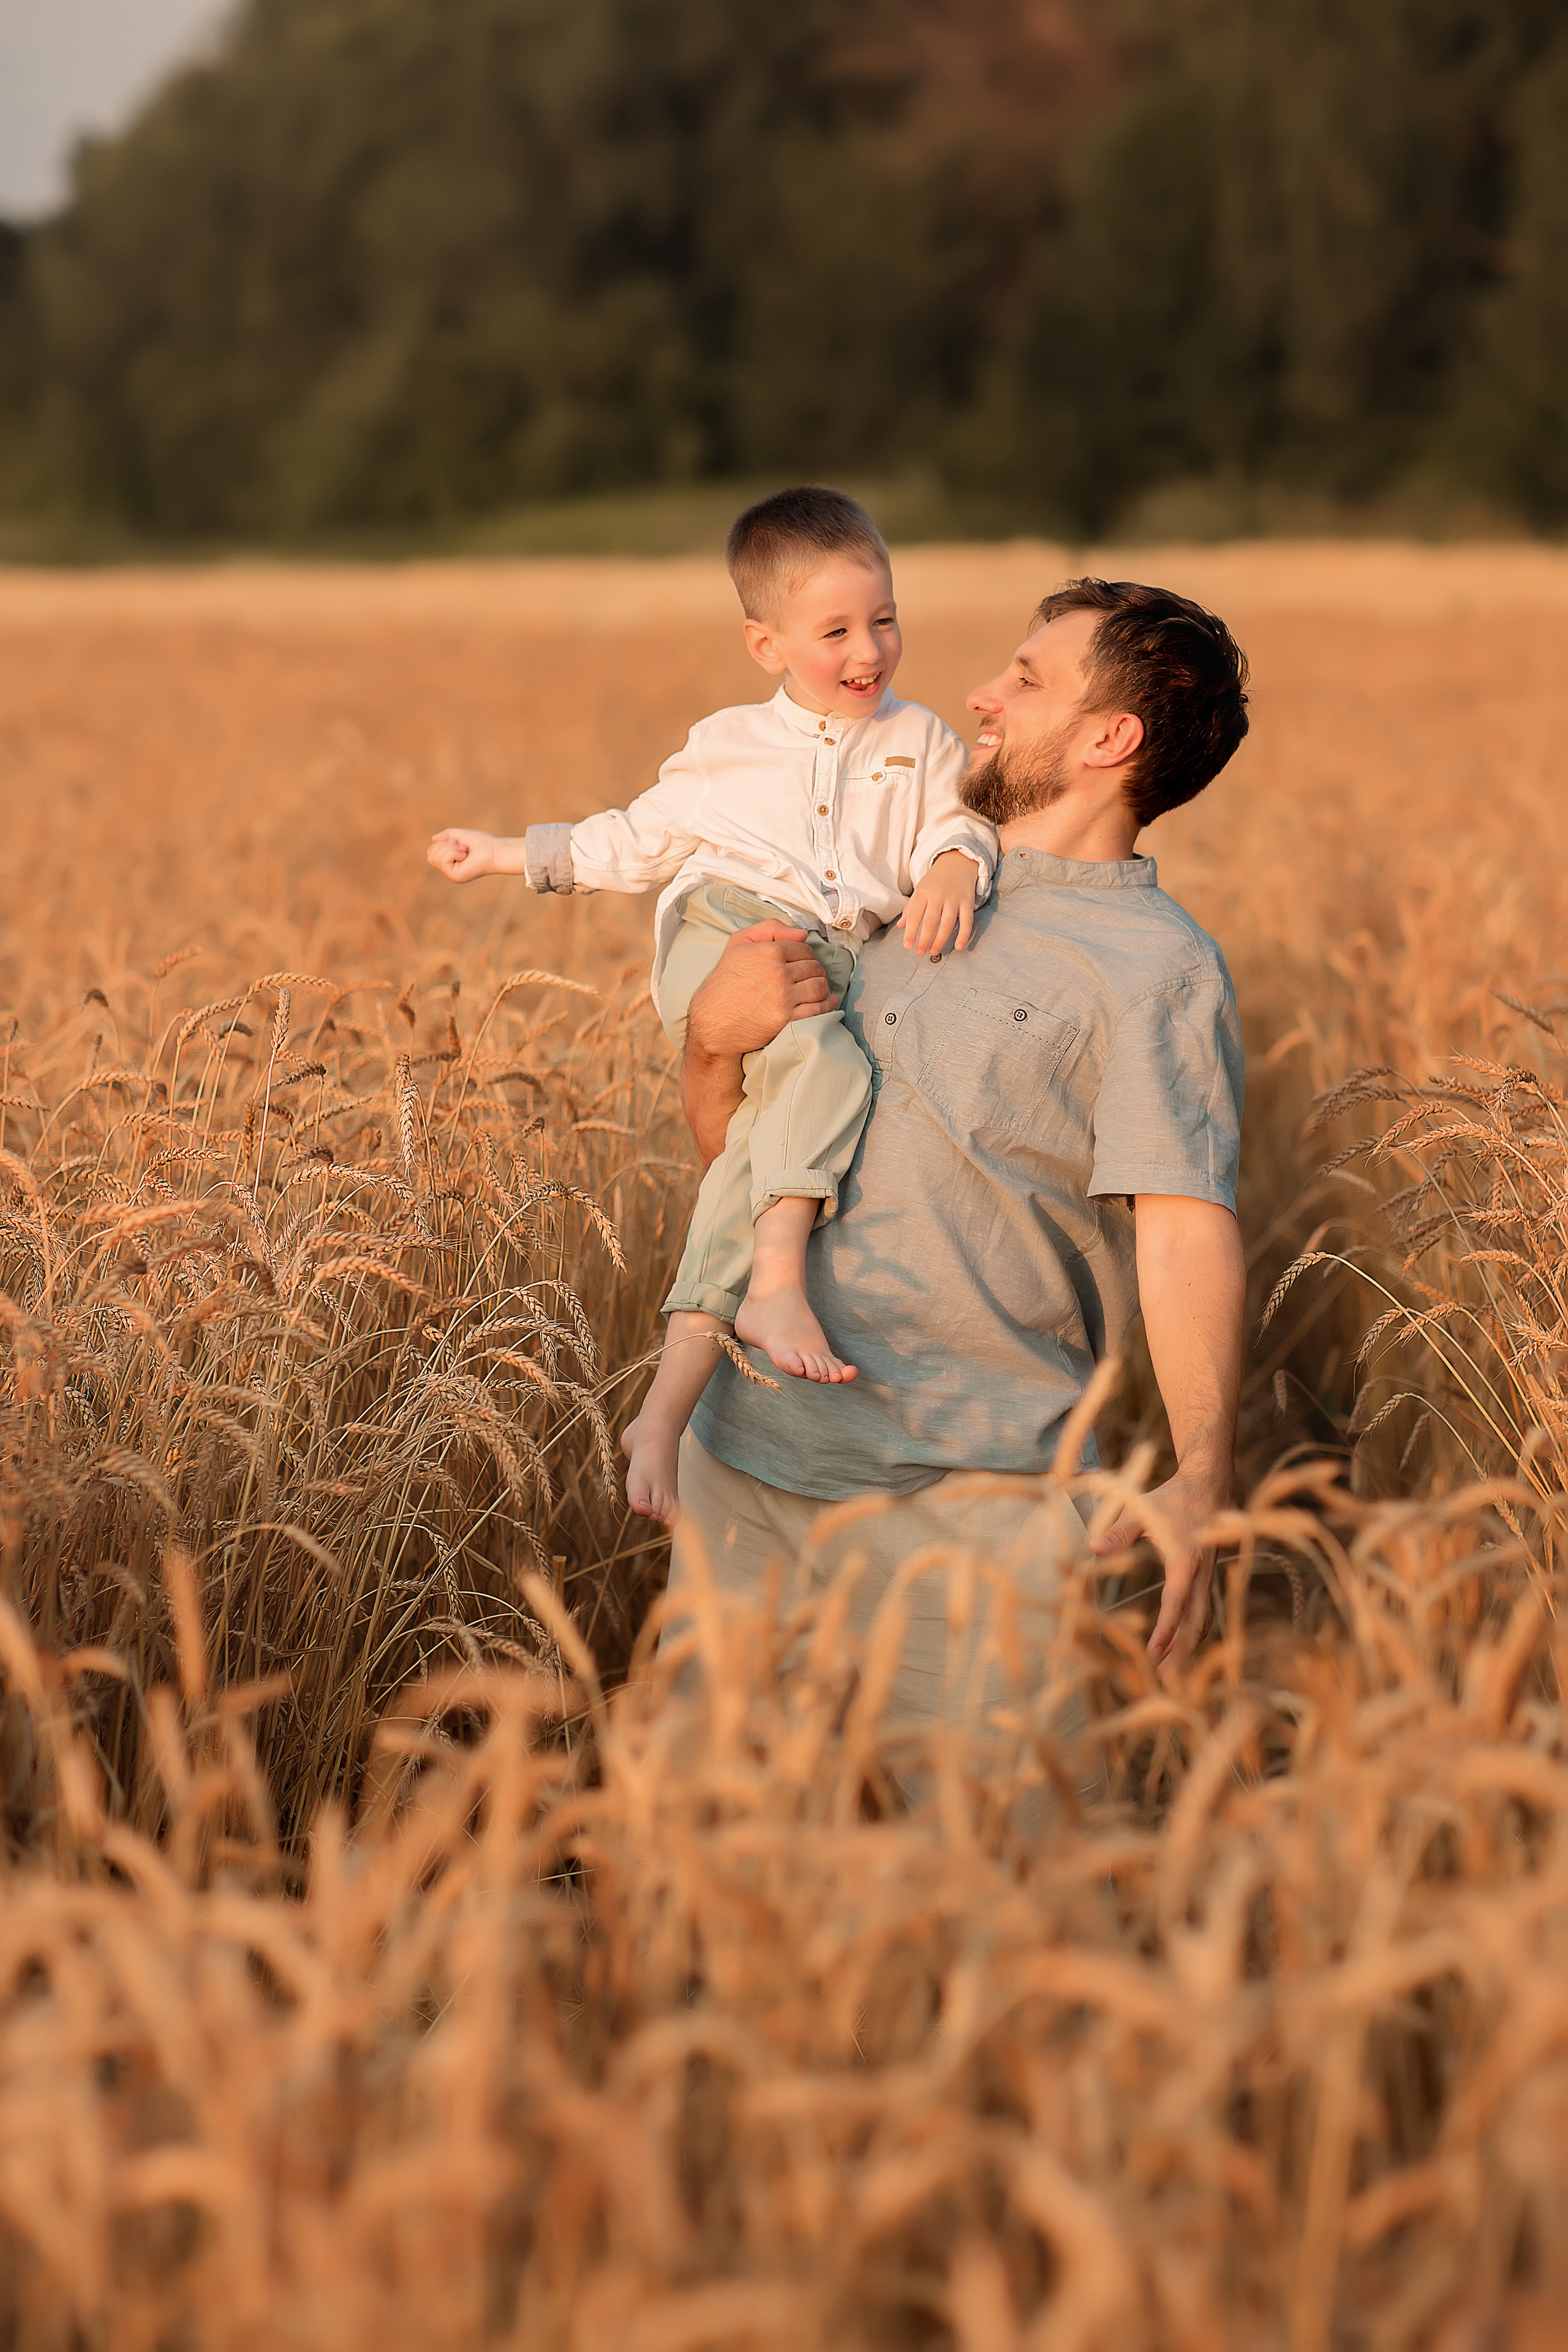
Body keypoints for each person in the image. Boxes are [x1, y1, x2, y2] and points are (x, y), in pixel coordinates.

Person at [667, 578, 1251, 1698]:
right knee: (702, 1851)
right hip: (747, 1464)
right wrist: (709, 1043)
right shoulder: (881, 885)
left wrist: (1204, 1476)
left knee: (995, 1865)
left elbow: (1182, 1232)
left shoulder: (1155, 967)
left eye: (1025, 681)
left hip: (974, 1507)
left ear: (1109, 738)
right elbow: (738, 1161)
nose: (979, 694)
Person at [429, 486, 996, 1525]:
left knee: (747, 1163)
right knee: (831, 1070)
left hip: (829, 961)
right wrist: (509, 853)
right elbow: (630, 843)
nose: (869, 650)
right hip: (722, 941)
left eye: (884, 619)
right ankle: (777, 1280)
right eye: (835, 631)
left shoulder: (923, 742)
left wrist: (956, 862)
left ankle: (664, 1409)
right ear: (765, 644)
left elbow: (957, 826)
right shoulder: (726, 747)